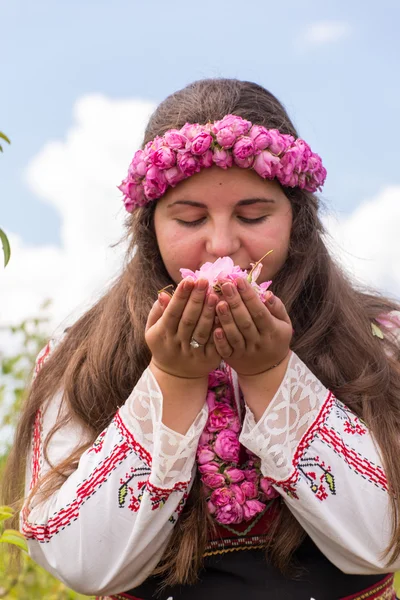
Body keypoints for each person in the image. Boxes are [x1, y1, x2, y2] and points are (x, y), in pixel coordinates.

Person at [3, 78, 400, 600]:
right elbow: (82, 564)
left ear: (298, 220)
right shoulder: (80, 355)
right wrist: (172, 379)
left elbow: (383, 543)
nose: (222, 244)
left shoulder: (380, 338)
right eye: (189, 218)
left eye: (254, 215)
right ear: (149, 228)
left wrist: (270, 376)